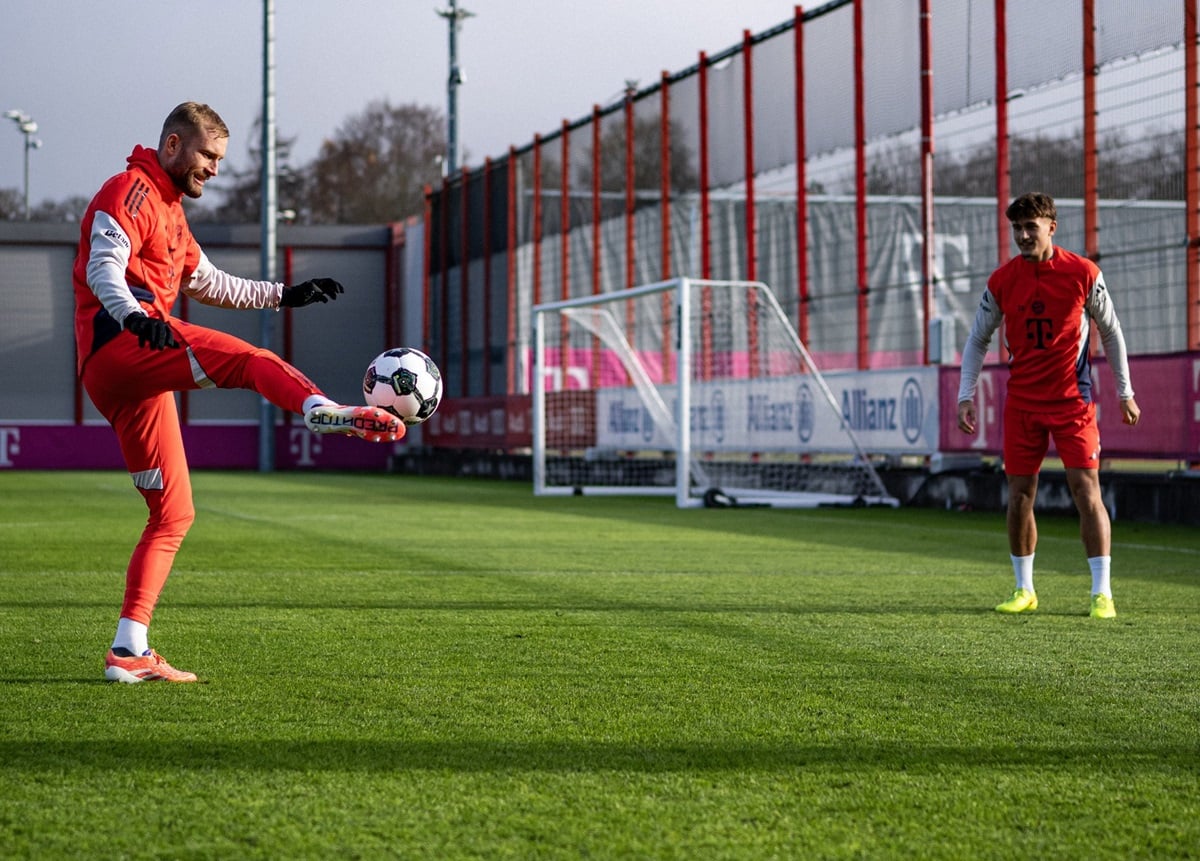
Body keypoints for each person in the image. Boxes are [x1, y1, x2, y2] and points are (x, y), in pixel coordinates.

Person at [73, 102, 404, 683]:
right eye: (207, 155)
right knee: (251, 361)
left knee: (173, 514)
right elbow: (105, 268)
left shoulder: (173, 213)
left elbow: (211, 283)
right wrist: (134, 318)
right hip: (125, 345)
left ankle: (129, 651)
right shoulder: (130, 190)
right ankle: (321, 410)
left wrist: (286, 295)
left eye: (220, 159)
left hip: (129, 375)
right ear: (173, 145)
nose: (215, 169)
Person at [957, 191, 1140, 619]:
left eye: (1030, 227)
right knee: (1020, 495)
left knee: (1086, 491)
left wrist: (1125, 391)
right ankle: (1024, 589)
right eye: (1017, 229)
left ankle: (1102, 593)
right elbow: (977, 338)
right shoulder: (1002, 281)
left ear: (1051, 228)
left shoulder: (1082, 273)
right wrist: (966, 395)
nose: (1023, 235)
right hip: (1022, 404)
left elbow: (1111, 332)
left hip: (1073, 402)